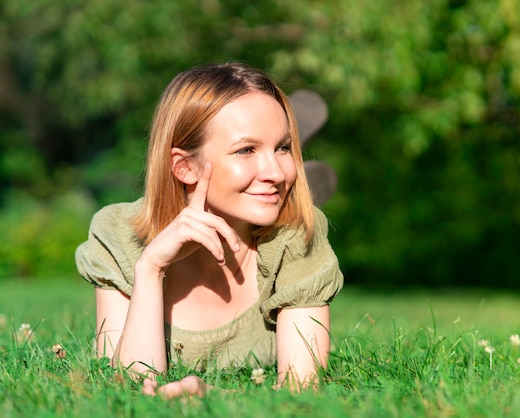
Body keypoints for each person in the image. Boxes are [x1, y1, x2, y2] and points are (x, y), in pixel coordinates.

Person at [75, 62, 343, 395]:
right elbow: (129, 386)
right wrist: (150, 267)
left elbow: (301, 390)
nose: (276, 172)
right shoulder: (117, 234)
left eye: (283, 147)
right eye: (247, 150)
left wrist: (210, 396)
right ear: (185, 167)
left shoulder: (296, 234)